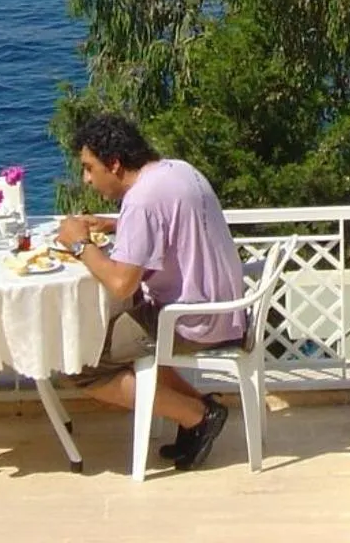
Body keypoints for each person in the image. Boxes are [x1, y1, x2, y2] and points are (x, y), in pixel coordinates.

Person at [56, 113, 246, 471]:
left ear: (114, 163)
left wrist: (80, 245)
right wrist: (115, 224)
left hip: (191, 321)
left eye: (89, 168)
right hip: (224, 307)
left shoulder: (141, 201)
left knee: (79, 362)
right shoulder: (177, 171)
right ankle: (202, 412)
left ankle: (197, 414)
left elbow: (121, 284)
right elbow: (167, 220)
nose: (86, 179)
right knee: (110, 330)